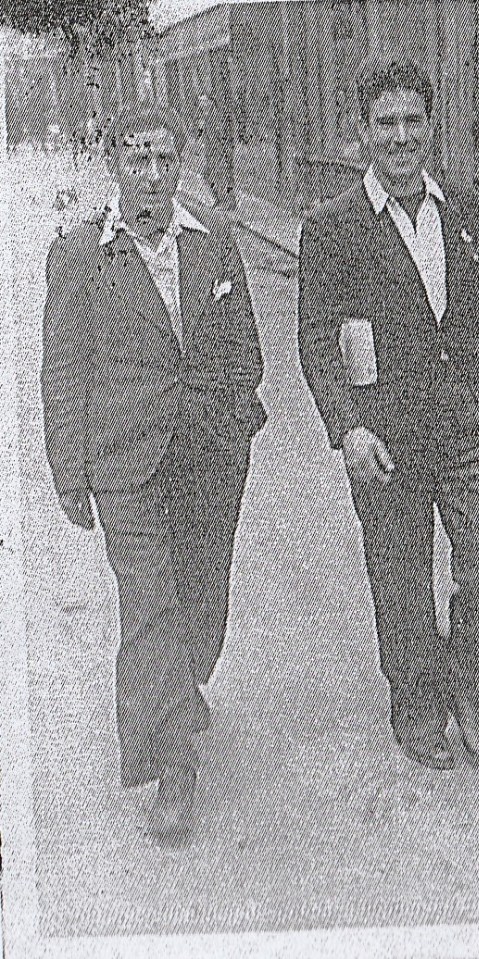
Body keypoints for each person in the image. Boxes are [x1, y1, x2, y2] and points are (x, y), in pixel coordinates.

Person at [41, 100, 266, 843]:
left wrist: (235, 419)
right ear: (114, 163)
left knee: (203, 597)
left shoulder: (214, 238)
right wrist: (69, 468)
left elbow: (244, 346)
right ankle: (171, 762)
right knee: (150, 603)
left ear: (180, 165)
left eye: (165, 158)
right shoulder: (80, 253)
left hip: (207, 456)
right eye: (137, 157)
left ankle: (182, 688)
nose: (152, 172)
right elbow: (63, 367)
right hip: (124, 461)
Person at [298, 56, 479, 772]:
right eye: (385, 122)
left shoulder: (462, 209)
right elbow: (316, 337)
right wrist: (348, 428)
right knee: (400, 576)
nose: (401, 137)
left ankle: (466, 682)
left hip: (468, 423)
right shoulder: (333, 226)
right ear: (363, 131)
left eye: (413, 121)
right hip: (385, 434)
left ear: (432, 125)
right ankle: (418, 708)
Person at [196, 93, 236, 210]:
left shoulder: (216, 119)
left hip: (218, 153)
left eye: (204, 106)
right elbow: (203, 135)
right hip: (211, 153)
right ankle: (218, 199)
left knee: (221, 176)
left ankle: (227, 201)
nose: (202, 109)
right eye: (201, 106)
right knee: (208, 175)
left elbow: (222, 138)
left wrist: (224, 152)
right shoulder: (206, 119)